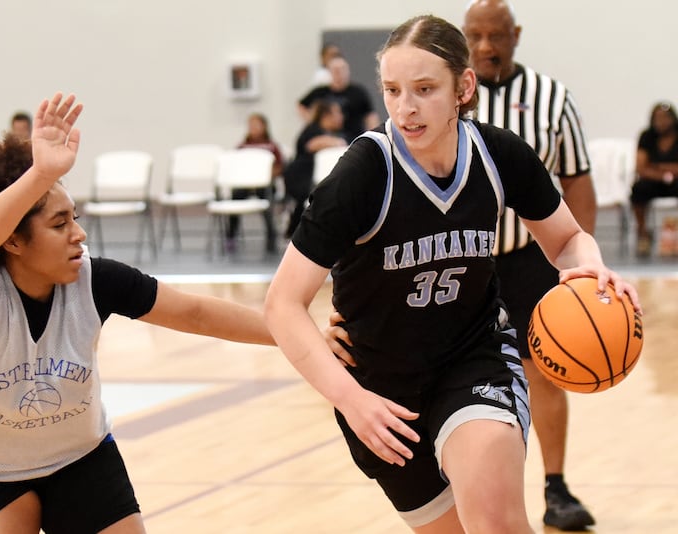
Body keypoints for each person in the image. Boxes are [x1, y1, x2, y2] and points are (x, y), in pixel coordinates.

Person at [264, 15, 641, 534]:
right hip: (379, 391)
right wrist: (350, 400)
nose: (406, 107)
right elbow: (282, 303)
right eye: (393, 91)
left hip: (474, 360)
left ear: (464, 87)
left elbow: (567, 239)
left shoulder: (499, 154)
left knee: (496, 523)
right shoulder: (361, 175)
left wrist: (592, 268)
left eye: (424, 89)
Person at [0, 92, 275, 534]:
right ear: (12, 241)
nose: (79, 234)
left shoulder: (96, 280)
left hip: (79, 458)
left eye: (74, 217)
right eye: (59, 224)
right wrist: (40, 174)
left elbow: (197, 314)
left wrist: (299, 336)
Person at [461, 1, 601, 529]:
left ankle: (556, 487)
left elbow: (577, 182)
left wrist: (579, 262)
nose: (487, 46)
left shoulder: (552, 98)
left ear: (516, 35)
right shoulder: (453, 96)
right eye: (476, 35)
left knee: (545, 370)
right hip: (465, 259)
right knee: (455, 371)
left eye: (496, 35)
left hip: (529, 259)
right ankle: (461, 488)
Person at [282, 99, 347, 239]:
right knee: (308, 200)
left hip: (308, 177)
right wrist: (339, 143)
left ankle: (295, 233)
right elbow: (312, 145)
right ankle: (295, 234)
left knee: (307, 202)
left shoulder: (326, 132)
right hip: (298, 176)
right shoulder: (313, 130)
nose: (341, 117)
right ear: (326, 116)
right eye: (338, 113)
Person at [226, 112, 283, 253]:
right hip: (245, 185)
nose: (253, 128)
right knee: (235, 196)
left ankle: (271, 235)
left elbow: (279, 167)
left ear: (264, 127)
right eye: (251, 125)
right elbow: (235, 166)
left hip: (265, 185)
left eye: (257, 125)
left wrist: (265, 176)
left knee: (266, 201)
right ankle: (231, 235)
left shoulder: (271, 146)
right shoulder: (242, 147)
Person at [630, 101, 678, 257]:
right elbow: (641, 167)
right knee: (638, 189)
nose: (662, 121)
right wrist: (663, 173)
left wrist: (659, 167)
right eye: (658, 118)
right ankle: (643, 232)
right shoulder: (647, 137)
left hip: (675, 180)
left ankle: (673, 236)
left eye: (665, 117)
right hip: (654, 180)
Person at [298, 56, 381, 143]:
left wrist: (374, 137)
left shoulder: (358, 93)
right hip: (326, 137)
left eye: (342, 70)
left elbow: (370, 117)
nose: (339, 74)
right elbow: (301, 105)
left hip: (353, 137)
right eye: (336, 70)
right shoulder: (320, 92)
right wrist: (311, 120)